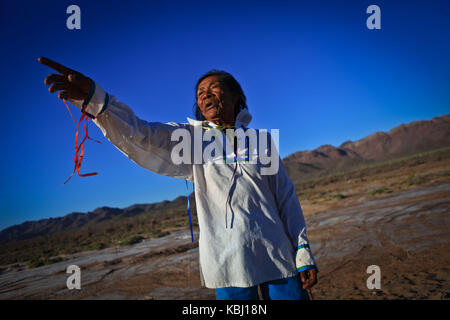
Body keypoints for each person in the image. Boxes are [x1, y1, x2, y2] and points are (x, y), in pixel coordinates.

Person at [38, 57, 318, 300]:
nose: (205, 95)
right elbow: (141, 134)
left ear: (235, 96)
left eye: (213, 88)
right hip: (230, 261)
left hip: (279, 255)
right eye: (199, 93)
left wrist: (302, 251)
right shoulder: (193, 140)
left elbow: (286, 198)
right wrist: (97, 100)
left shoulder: (261, 141)